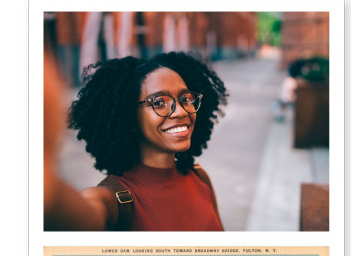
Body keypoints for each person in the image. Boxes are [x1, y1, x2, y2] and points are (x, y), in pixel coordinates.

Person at [45, 51, 228, 231]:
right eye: (159, 102)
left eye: (186, 98)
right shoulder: (111, 201)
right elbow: (70, 214)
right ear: (129, 116)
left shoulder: (200, 178)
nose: (181, 111)